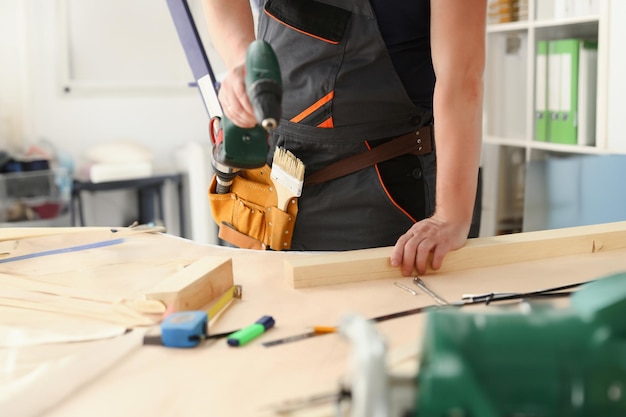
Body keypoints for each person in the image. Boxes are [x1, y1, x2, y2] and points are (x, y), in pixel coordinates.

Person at [203, 0, 486, 276]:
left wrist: (450, 217)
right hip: (276, 179)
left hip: (378, 188)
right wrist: (241, 60)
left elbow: (462, 81)